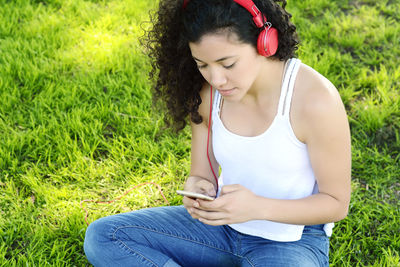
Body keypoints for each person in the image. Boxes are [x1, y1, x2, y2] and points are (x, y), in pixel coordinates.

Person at [83, 0, 351, 266]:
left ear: (265, 43)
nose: (216, 79)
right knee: (105, 237)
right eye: (202, 64)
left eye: (228, 64)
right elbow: (201, 175)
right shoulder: (209, 95)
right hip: (219, 229)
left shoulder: (315, 100)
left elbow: (336, 203)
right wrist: (197, 189)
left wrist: (257, 208)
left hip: (291, 242)